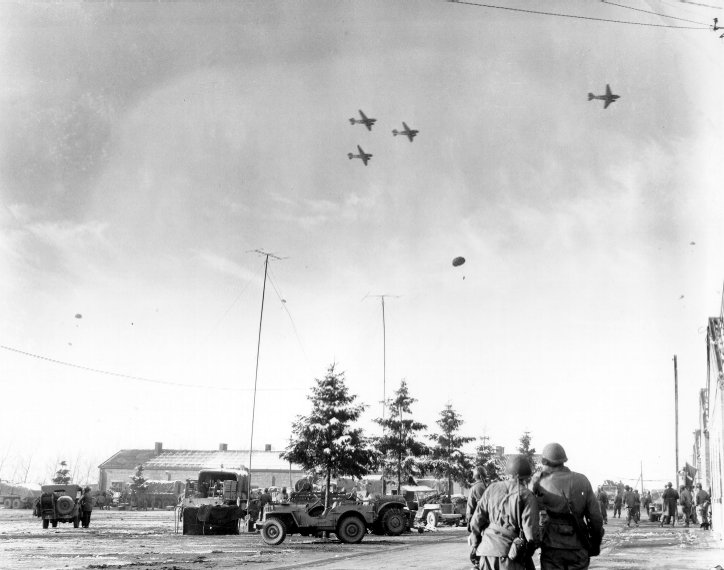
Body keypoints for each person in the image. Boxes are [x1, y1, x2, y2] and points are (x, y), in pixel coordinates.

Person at [530, 443, 604, 570]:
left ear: (545, 461)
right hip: (578, 545)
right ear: (564, 460)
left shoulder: (539, 482)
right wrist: (595, 543)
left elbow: (527, 510)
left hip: (551, 547)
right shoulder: (582, 480)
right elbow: (596, 518)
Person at [469, 455, 539, 570]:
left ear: (508, 473)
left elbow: (476, 520)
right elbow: (530, 532)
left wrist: (475, 544)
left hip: (486, 552)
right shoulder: (527, 495)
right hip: (510, 556)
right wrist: (527, 552)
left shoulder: (492, 488)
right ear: (526, 477)